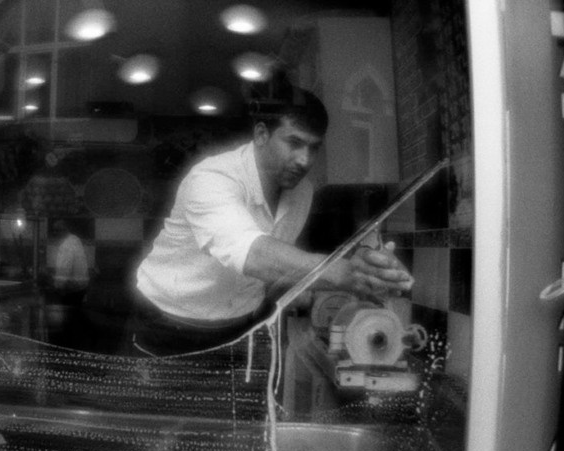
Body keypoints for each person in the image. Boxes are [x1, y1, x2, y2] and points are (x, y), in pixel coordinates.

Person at [132, 86, 413, 355]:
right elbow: (251, 254)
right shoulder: (211, 178)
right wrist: (341, 272)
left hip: (240, 327)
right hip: (166, 327)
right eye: (294, 143)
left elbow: (272, 272)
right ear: (261, 134)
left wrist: (364, 269)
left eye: (313, 148)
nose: (304, 160)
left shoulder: (302, 192)